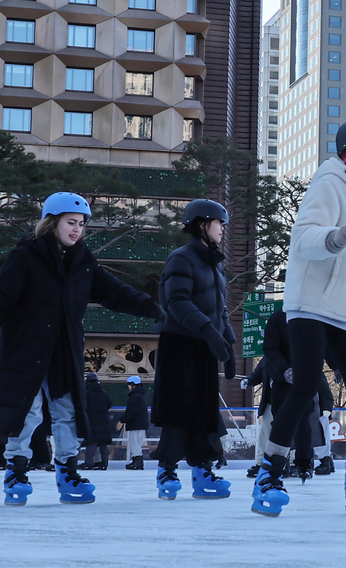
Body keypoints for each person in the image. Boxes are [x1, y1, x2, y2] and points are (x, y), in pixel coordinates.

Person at [0, 192, 163, 506]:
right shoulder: (25, 256)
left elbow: (115, 293)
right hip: (24, 352)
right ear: (52, 222)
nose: (77, 229)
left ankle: (67, 471)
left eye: (81, 224)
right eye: (71, 222)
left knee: (66, 413)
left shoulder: (83, 262)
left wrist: (152, 307)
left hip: (64, 353)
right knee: (27, 413)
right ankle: (15, 471)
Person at [256, 117, 346, 516]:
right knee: (303, 388)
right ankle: (268, 474)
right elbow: (302, 236)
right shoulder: (330, 181)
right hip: (312, 306)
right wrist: (332, 239)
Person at [152, 199, 235, 501]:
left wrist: (228, 340)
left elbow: (220, 308)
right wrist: (209, 332)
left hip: (204, 345)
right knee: (179, 408)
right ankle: (167, 470)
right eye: (219, 223)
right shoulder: (181, 259)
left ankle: (202, 470)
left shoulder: (214, 264)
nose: (223, 229)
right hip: (179, 343)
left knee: (204, 410)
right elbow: (177, 303)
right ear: (203, 224)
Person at [118, 376, 149, 470]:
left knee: (134, 443)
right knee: (137, 443)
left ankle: (137, 462)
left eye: (129, 384)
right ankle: (138, 462)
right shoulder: (141, 395)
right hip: (141, 423)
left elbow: (131, 410)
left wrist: (122, 421)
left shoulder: (135, 396)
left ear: (133, 385)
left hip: (135, 424)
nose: (128, 387)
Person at [82, 373, 112, 471]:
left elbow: (84, 406)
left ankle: (89, 463)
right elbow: (109, 403)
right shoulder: (103, 392)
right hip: (104, 420)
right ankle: (104, 463)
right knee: (103, 443)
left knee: (92, 443)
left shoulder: (87, 392)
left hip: (92, 421)